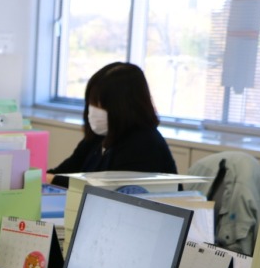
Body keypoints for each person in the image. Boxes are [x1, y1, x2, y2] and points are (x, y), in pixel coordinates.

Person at [46, 62, 177, 188]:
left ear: (124, 107)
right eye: (92, 103)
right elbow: (62, 172)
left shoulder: (144, 145)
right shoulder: (98, 137)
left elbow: (103, 189)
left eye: (101, 105)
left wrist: (48, 179)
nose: (93, 111)